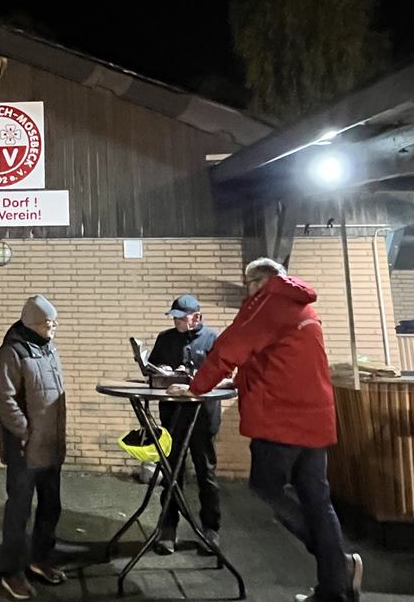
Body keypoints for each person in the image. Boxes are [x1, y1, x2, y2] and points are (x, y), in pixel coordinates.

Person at [189, 258, 363, 602]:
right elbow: (274, 358)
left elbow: (229, 347)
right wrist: (237, 381)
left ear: (260, 281)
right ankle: (334, 589)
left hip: (281, 422)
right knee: (318, 502)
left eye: (248, 284)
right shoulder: (299, 307)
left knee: (265, 487)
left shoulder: (268, 303)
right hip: (315, 421)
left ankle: (336, 561)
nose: (246, 292)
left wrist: (196, 388)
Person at [0, 294, 68, 600]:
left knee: (51, 506)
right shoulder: (13, 352)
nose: (54, 327)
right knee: (19, 511)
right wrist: (26, 432)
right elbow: (2, 399)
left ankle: (40, 560)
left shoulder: (48, 348)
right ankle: (12, 573)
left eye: (55, 321)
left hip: (50, 446)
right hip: (25, 448)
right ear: (33, 323)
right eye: (49, 322)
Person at [146, 294, 222, 554]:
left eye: (181, 317)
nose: (176, 321)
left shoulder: (212, 339)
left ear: (196, 317)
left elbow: (224, 374)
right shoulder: (165, 339)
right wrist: (161, 372)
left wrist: (198, 378)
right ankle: (168, 528)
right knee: (171, 472)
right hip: (173, 415)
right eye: (174, 317)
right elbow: (152, 370)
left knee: (206, 473)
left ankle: (211, 530)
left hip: (202, 416)